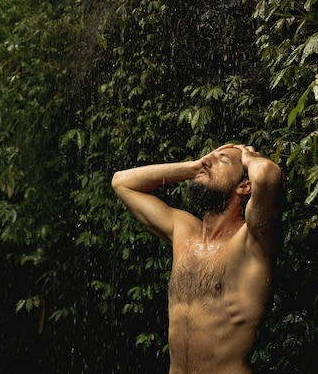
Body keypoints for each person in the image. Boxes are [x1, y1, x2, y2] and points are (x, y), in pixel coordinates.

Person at [111, 143, 284, 374]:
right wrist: (195, 167)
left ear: (244, 186)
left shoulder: (253, 240)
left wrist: (249, 157)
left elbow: (267, 175)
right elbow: (121, 182)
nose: (207, 162)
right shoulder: (182, 230)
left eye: (221, 160)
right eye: (207, 159)